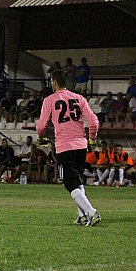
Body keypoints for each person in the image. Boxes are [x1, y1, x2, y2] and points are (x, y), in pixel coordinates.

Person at [37, 69, 100, 226]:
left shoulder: (50, 100)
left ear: (55, 82)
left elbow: (41, 125)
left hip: (65, 146)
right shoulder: (79, 98)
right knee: (77, 180)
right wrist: (92, 139)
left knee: (69, 183)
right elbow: (94, 122)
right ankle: (82, 214)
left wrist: (42, 137)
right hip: (81, 146)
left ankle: (92, 213)